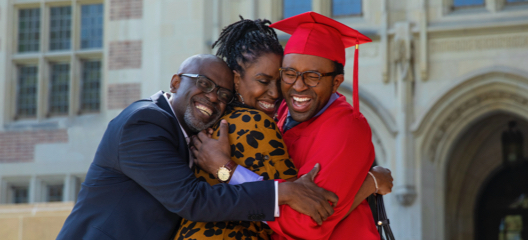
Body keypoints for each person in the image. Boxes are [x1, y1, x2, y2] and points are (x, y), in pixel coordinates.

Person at [56, 54, 339, 240]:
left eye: (223, 94)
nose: (213, 97)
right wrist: (283, 191)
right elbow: (192, 200)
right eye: (204, 83)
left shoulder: (194, 133)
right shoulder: (144, 122)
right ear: (176, 82)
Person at [185, 16, 393, 240]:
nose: (298, 86)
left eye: (313, 76)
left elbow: (307, 225)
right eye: (290, 74)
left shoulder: (344, 128)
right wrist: (368, 185)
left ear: (336, 82)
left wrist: (227, 169)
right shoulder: (278, 114)